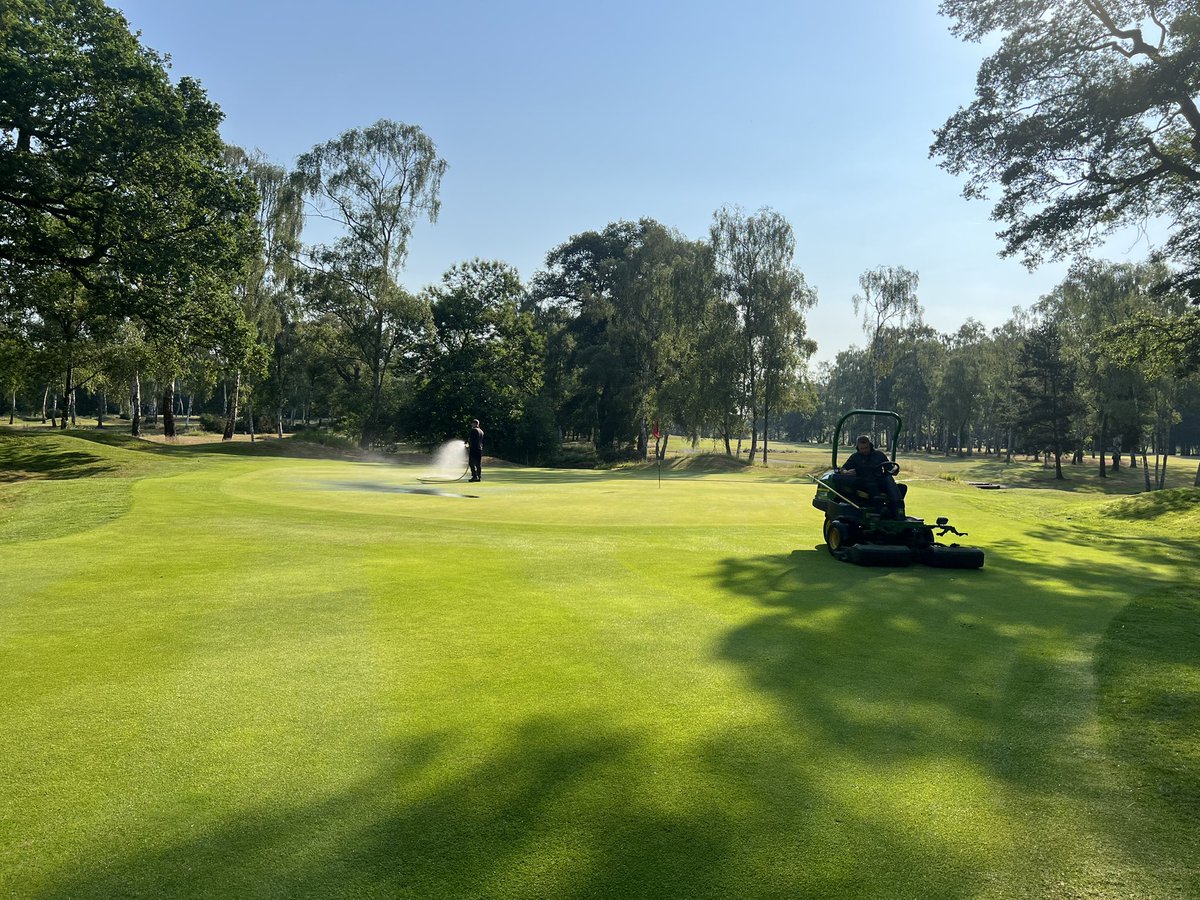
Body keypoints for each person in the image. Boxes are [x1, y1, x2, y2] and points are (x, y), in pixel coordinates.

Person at [837, 434, 904, 517]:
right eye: (862, 449)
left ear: (869, 445)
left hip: (879, 480)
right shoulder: (855, 457)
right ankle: (880, 509)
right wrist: (846, 472)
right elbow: (843, 468)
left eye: (866, 448)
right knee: (872, 485)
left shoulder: (879, 455)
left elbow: (890, 468)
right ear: (858, 447)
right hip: (863, 483)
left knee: (900, 486)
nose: (864, 450)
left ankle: (897, 507)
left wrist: (894, 471)